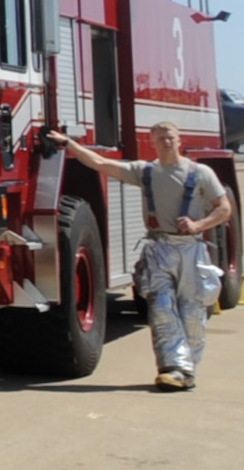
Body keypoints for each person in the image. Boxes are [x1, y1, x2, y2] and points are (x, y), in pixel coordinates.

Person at [47, 122, 233, 391]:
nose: (166, 142)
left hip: (191, 249)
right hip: (158, 250)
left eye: (170, 137)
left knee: (192, 314)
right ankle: (172, 368)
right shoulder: (145, 172)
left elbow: (224, 208)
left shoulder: (201, 173)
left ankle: (187, 368)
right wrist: (69, 144)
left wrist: (198, 225)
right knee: (161, 309)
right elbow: (99, 162)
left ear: (179, 139)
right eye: (160, 139)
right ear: (153, 142)